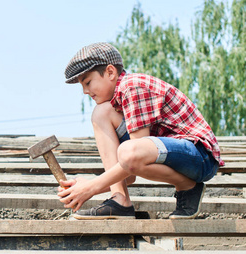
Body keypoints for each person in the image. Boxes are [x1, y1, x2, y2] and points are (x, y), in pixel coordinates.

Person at [58, 42, 223, 220]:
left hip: (200, 155)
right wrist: (88, 185)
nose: (85, 91)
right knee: (101, 114)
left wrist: (91, 187)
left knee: (129, 151)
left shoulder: (132, 87)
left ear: (110, 72)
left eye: (88, 82)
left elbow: (133, 157)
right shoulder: (119, 99)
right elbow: (129, 171)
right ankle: (119, 199)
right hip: (171, 152)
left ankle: (188, 186)